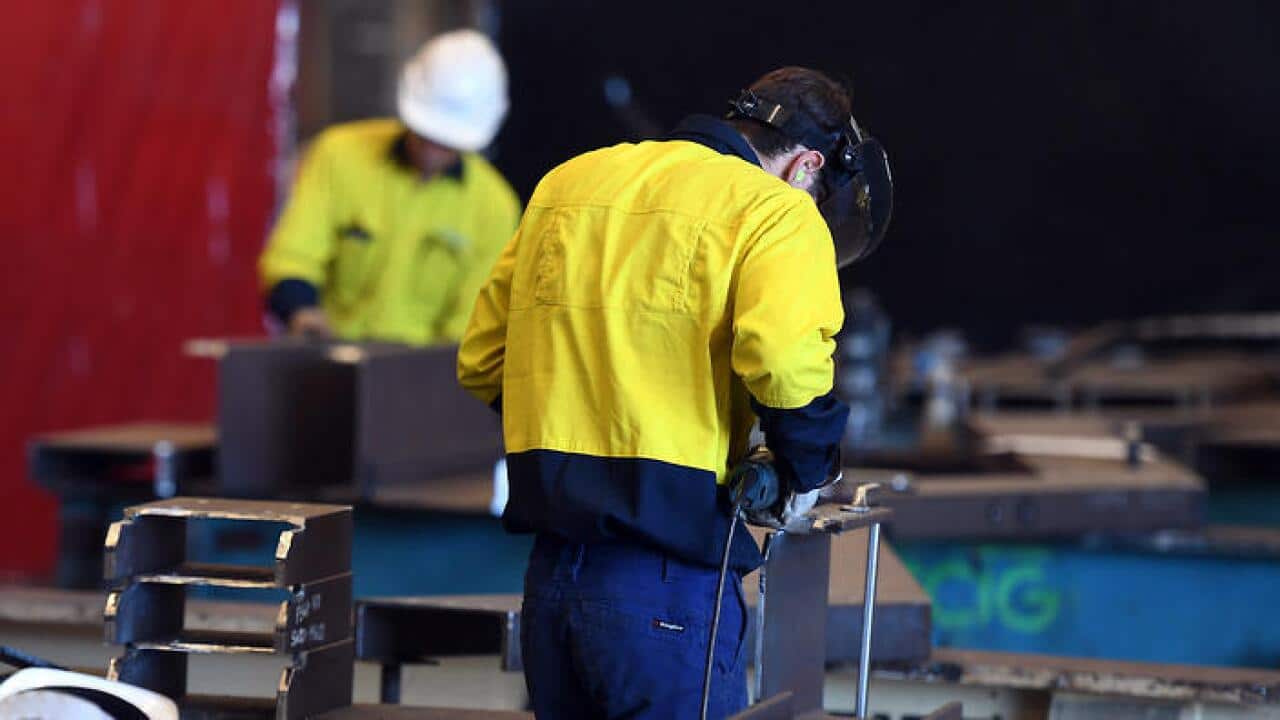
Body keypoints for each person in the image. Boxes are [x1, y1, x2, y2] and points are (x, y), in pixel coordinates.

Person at [458, 66, 892, 719]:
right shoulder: (773, 210)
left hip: (550, 582)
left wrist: (585, 420)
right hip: (666, 587)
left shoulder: (568, 183)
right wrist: (805, 467)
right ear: (807, 167)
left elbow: (486, 358)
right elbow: (781, 359)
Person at [259, 29, 520, 345]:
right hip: (326, 364)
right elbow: (293, 256)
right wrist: (300, 311)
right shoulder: (339, 155)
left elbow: (470, 326)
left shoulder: (494, 206)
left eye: (446, 142)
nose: (431, 150)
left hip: (423, 381)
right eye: (425, 134)